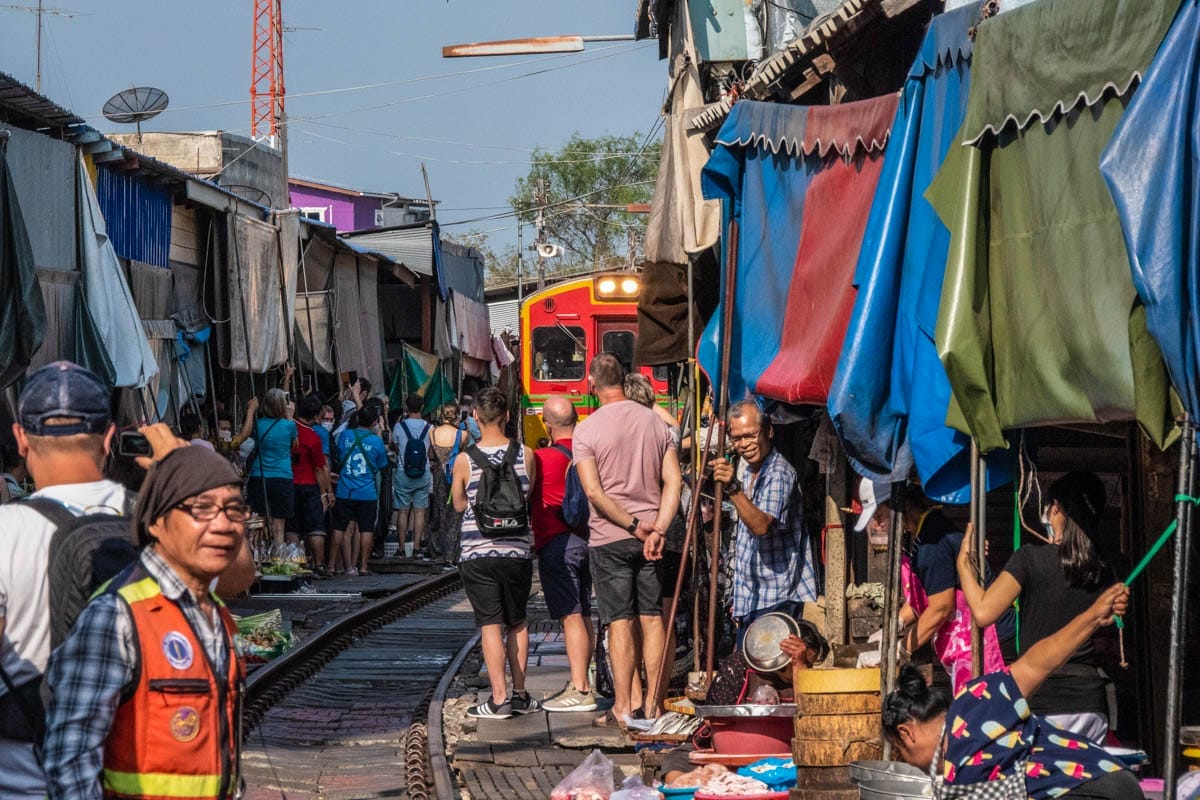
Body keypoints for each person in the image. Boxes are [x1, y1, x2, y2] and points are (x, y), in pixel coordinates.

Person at [43, 442, 249, 800]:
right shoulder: (117, 616)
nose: (223, 525)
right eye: (201, 509)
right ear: (156, 521)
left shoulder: (217, 614)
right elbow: (69, 761)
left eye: (234, 510)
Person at [0, 362, 128, 799]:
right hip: (138, 776)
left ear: (21, 439)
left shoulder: (4, 530)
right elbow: (238, 575)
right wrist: (177, 470)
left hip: (24, 783)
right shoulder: (157, 521)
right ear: (109, 437)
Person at [883, 584, 1141, 800]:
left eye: (899, 751)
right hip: (1115, 777)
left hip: (1083, 792)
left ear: (907, 732)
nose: (908, 762)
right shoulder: (973, 698)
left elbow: (1036, 664)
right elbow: (1035, 664)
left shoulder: (960, 777)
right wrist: (1092, 616)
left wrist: (1094, 617)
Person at [956, 472, 1113, 741]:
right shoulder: (1103, 570)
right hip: (1091, 703)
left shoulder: (1030, 558)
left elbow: (983, 612)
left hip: (1043, 699)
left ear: (1056, 508)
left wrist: (963, 566)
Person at [574, 353, 682, 725]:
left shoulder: (587, 429)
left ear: (592, 383)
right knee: (652, 620)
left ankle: (623, 706)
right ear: (624, 379)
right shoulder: (656, 423)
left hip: (610, 539)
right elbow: (674, 480)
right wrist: (658, 528)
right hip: (652, 538)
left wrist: (634, 525)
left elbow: (594, 492)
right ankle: (654, 705)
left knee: (619, 622)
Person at [858, 479, 1011, 693]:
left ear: (899, 505)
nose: (877, 525)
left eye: (880, 516)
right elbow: (924, 596)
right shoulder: (917, 537)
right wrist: (896, 624)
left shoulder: (931, 543)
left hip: (988, 641)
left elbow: (941, 607)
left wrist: (900, 650)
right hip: (967, 642)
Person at [452, 387, 541, 720]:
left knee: (490, 625)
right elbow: (527, 495)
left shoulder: (465, 459)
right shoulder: (525, 454)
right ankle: (520, 695)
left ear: (475, 415)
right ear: (507, 415)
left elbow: (458, 504)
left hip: (478, 553)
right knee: (517, 622)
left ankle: (498, 699)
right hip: (516, 551)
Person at [710, 400, 818, 647]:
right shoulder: (748, 470)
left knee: (771, 665)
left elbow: (761, 526)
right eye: (738, 439)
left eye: (751, 435)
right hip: (752, 596)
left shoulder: (779, 473)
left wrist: (732, 489)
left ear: (768, 431)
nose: (745, 444)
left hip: (777, 597)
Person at [533, 395, 596, 713]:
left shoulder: (541, 458)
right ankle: (585, 680)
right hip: (588, 540)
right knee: (584, 613)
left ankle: (580, 687)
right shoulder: (590, 453)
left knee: (570, 615)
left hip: (557, 544)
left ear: (547, 424)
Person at [332, 405, 389, 576]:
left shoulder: (345, 435)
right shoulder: (376, 441)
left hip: (345, 490)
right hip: (367, 492)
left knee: (340, 528)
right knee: (366, 529)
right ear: (374, 422)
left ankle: (332, 565)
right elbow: (382, 464)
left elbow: (339, 454)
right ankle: (363, 566)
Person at [242, 388, 298, 548]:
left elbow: (247, 434)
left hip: (259, 475)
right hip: (282, 476)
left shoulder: (258, 424)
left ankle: (254, 551)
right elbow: (295, 445)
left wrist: (250, 412)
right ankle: (278, 554)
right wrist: (290, 417)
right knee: (279, 524)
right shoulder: (289, 426)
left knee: (256, 519)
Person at [292, 395, 335, 576]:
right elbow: (320, 468)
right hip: (309, 485)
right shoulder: (312, 436)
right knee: (316, 527)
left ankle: (294, 563)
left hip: (290, 484)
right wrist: (327, 492)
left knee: (293, 527)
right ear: (316, 416)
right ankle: (319, 565)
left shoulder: (289, 429)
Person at [392, 395, 433, 558]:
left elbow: (396, 448)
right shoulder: (429, 428)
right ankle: (416, 548)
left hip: (403, 472)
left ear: (406, 407)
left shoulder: (399, 427)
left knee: (402, 512)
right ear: (422, 407)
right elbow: (430, 452)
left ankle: (401, 549)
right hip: (423, 472)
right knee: (419, 512)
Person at [428, 402, 468, 566]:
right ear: (456, 415)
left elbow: (431, 455)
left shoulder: (432, 432)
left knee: (438, 512)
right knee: (455, 514)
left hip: (438, 475)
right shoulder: (463, 434)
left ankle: (437, 550)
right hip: (455, 475)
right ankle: (452, 553)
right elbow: (463, 454)